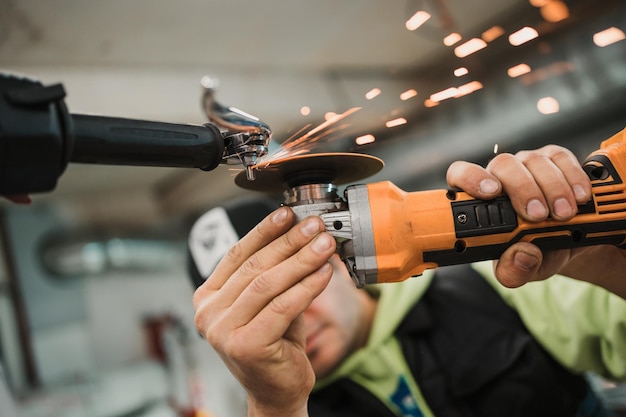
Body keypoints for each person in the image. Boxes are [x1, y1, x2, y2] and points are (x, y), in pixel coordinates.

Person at [192, 145, 626, 417]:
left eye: (297, 280)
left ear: (339, 253)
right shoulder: (274, 404)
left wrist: (613, 272)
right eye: (256, 307)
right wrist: (275, 407)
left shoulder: (510, 285)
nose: (288, 316)